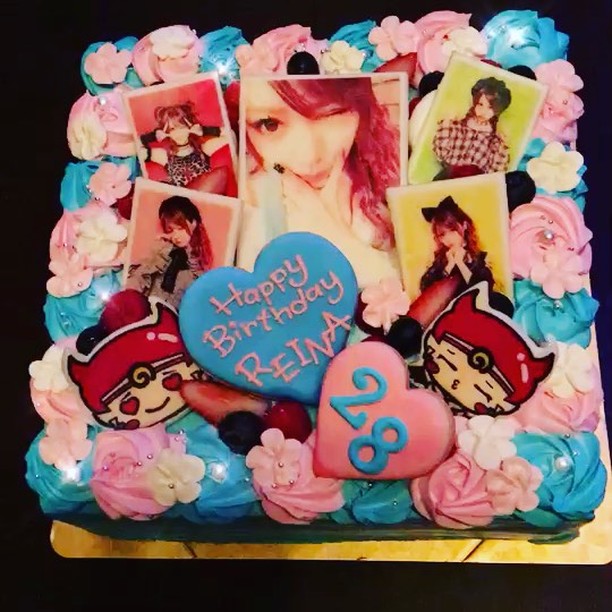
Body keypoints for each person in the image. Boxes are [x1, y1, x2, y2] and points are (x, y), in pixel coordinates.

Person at [239, 77, 402, 287]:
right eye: (270, 125)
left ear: (361, 108)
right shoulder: (253, 211)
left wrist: (335, 235)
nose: (310, 156)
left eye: (330, 114)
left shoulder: (387, 170)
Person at [127, 195, 213, 309]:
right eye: (170, 230)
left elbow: (198, 300)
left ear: (193, 222)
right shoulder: (162, 251)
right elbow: (139, 278)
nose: (176, 236)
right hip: (149, 309)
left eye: (180, 228)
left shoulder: (199, 261)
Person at [432, 77, 511, 179]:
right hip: (449, 175)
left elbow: (496, 170)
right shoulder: (459, 126)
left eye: (490, 107)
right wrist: (447, 123)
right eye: (480, 104)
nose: (483, 111)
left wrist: (502, 147)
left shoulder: (494, 140)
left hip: (473, 182)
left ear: (497, 110)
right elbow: (441, 150)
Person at [143, 102, 229, 194]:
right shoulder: (163, 156)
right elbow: (136, 148)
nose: (178, 133)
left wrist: (204, 130)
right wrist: (154, 135)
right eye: (172, 129)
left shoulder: (204, 148)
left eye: (181, 127)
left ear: (189, 126)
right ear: (166, 132)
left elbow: (230, 135)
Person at [419, 196, 493, 295]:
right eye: (442, 235)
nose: (448, 239)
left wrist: (461, 264)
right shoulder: (440, 261)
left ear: (464, 225)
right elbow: (426, 290)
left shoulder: (478, 258)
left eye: (452, 230)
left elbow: (484, 290)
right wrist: (448, 267)